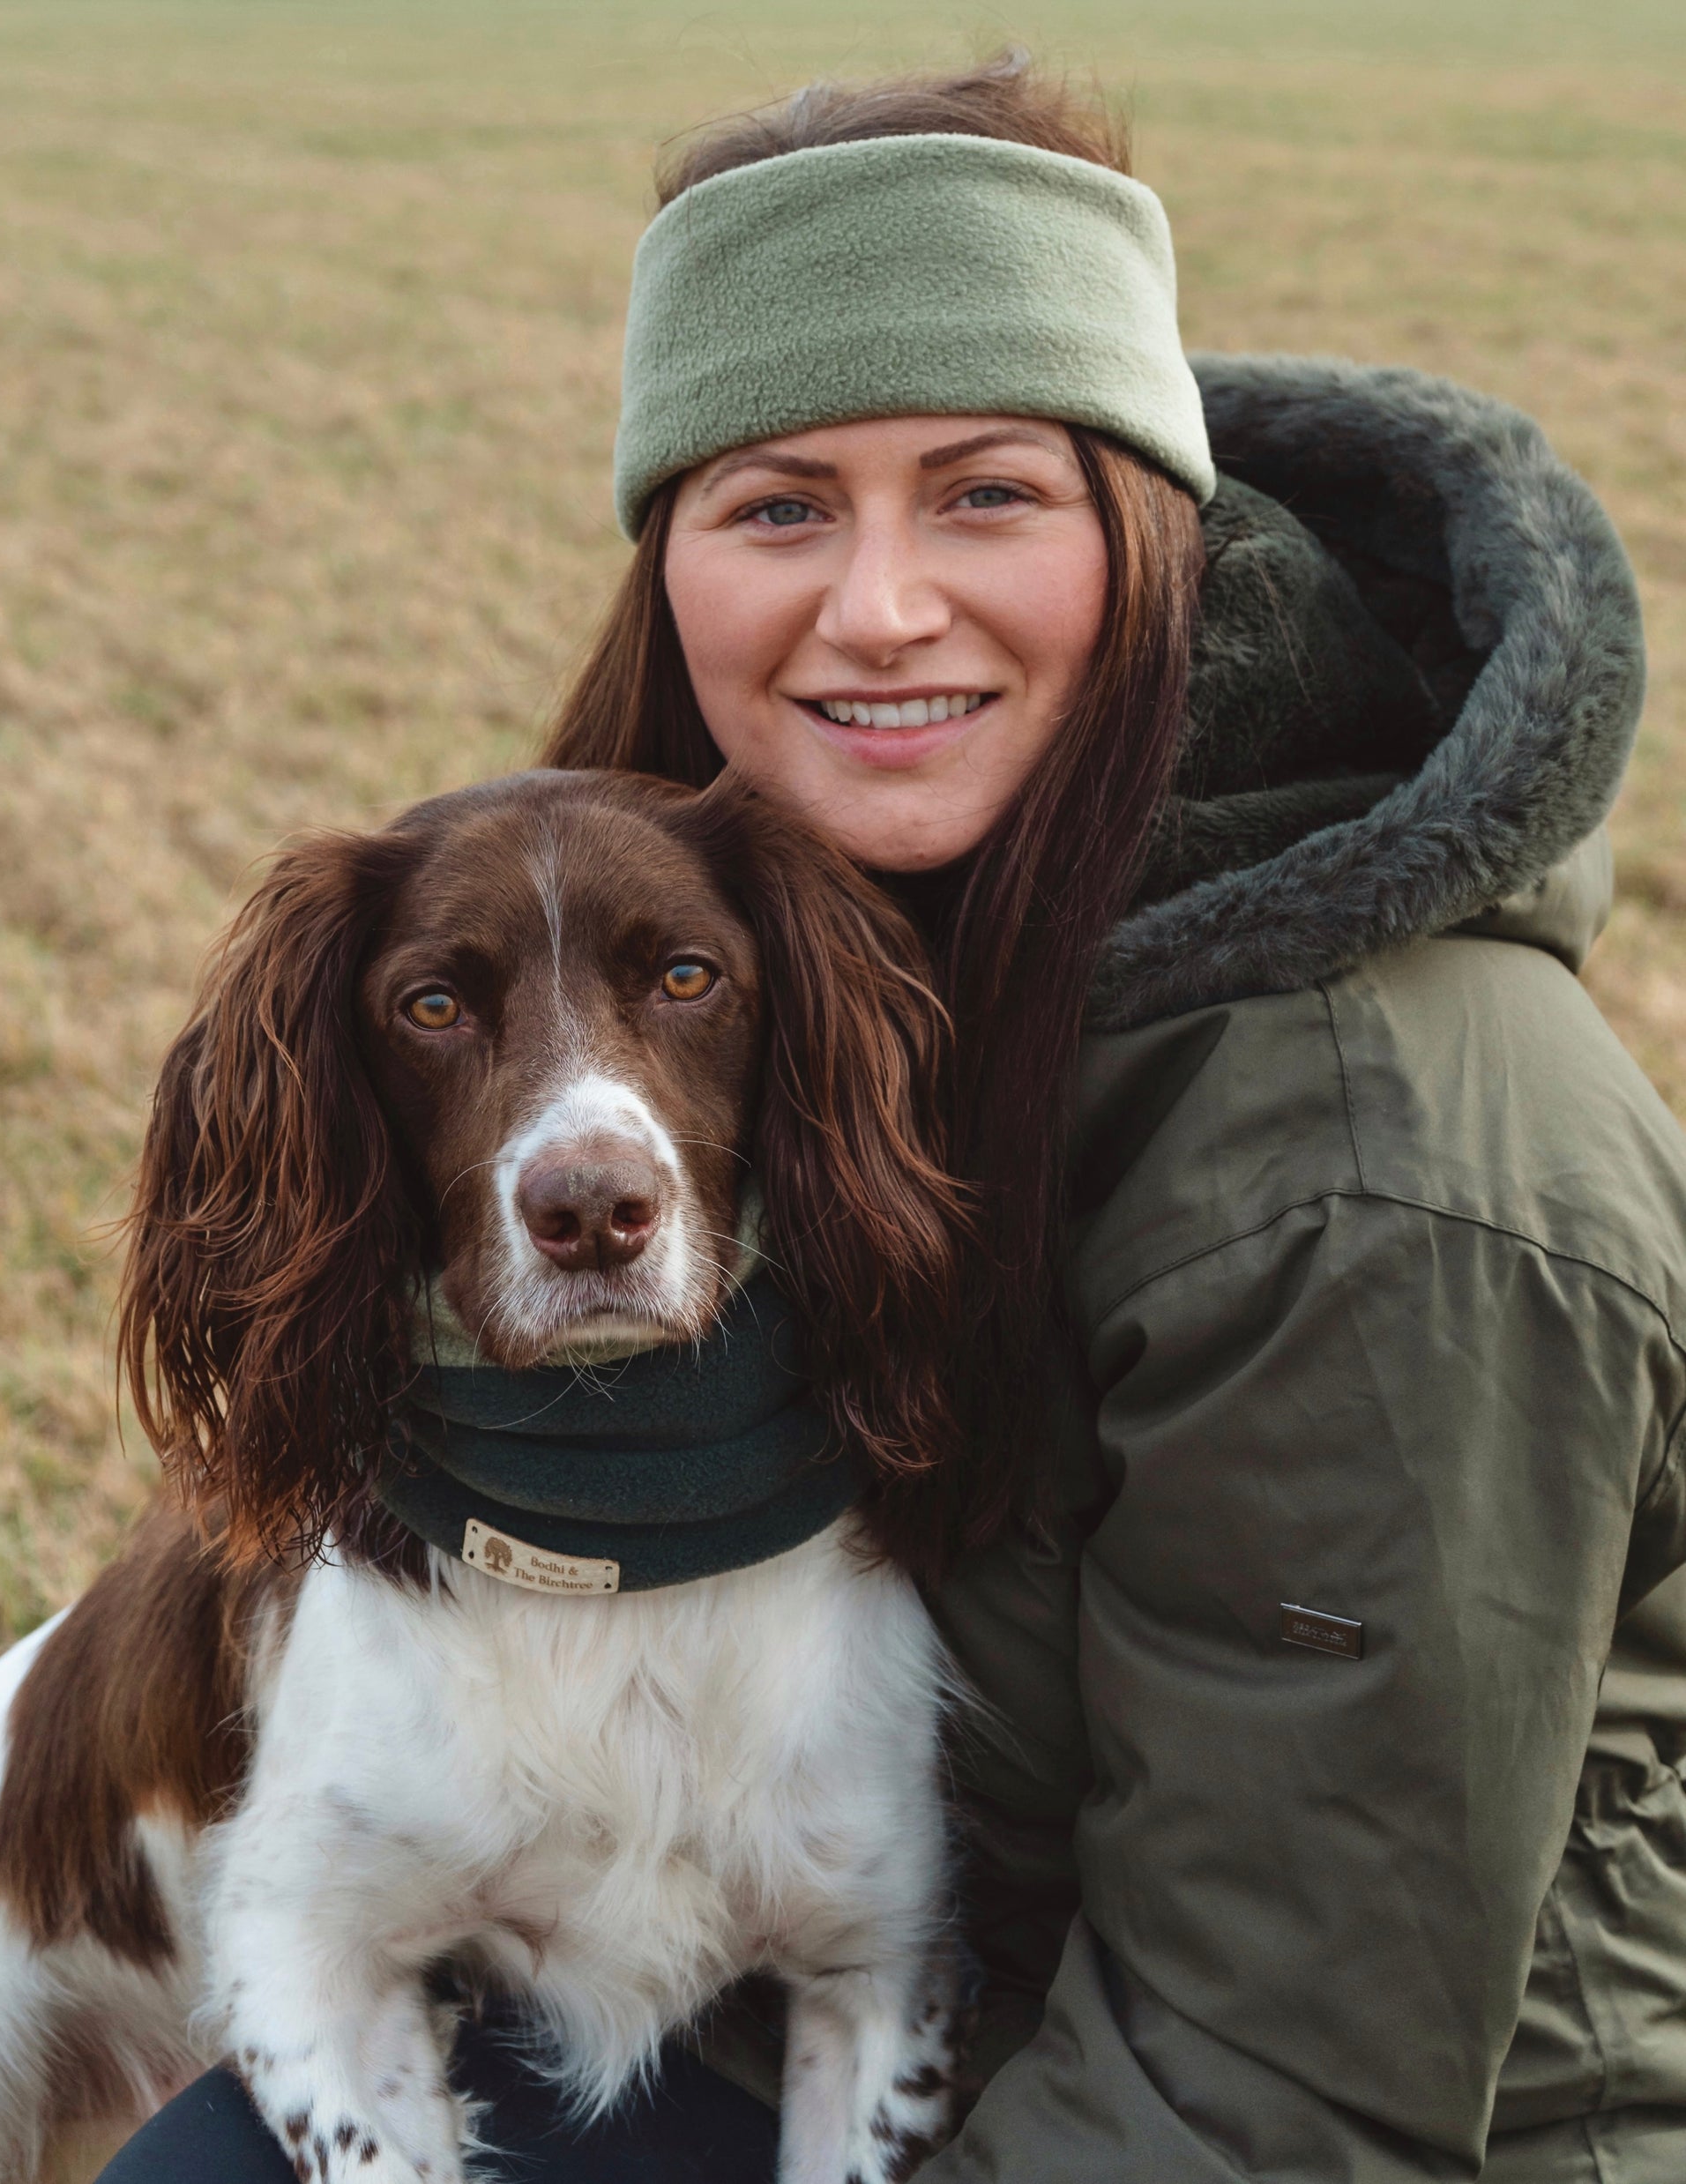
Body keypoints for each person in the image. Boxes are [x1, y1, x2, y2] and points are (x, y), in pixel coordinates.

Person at [104, 55, 1684, 2184]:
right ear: (667, 557)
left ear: (1150, 529)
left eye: (986, 493)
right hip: (880, 1987)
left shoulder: (1378, 1171)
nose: (875, 609)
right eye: (777, 506)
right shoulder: (834, 935)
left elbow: (1279, 2091)